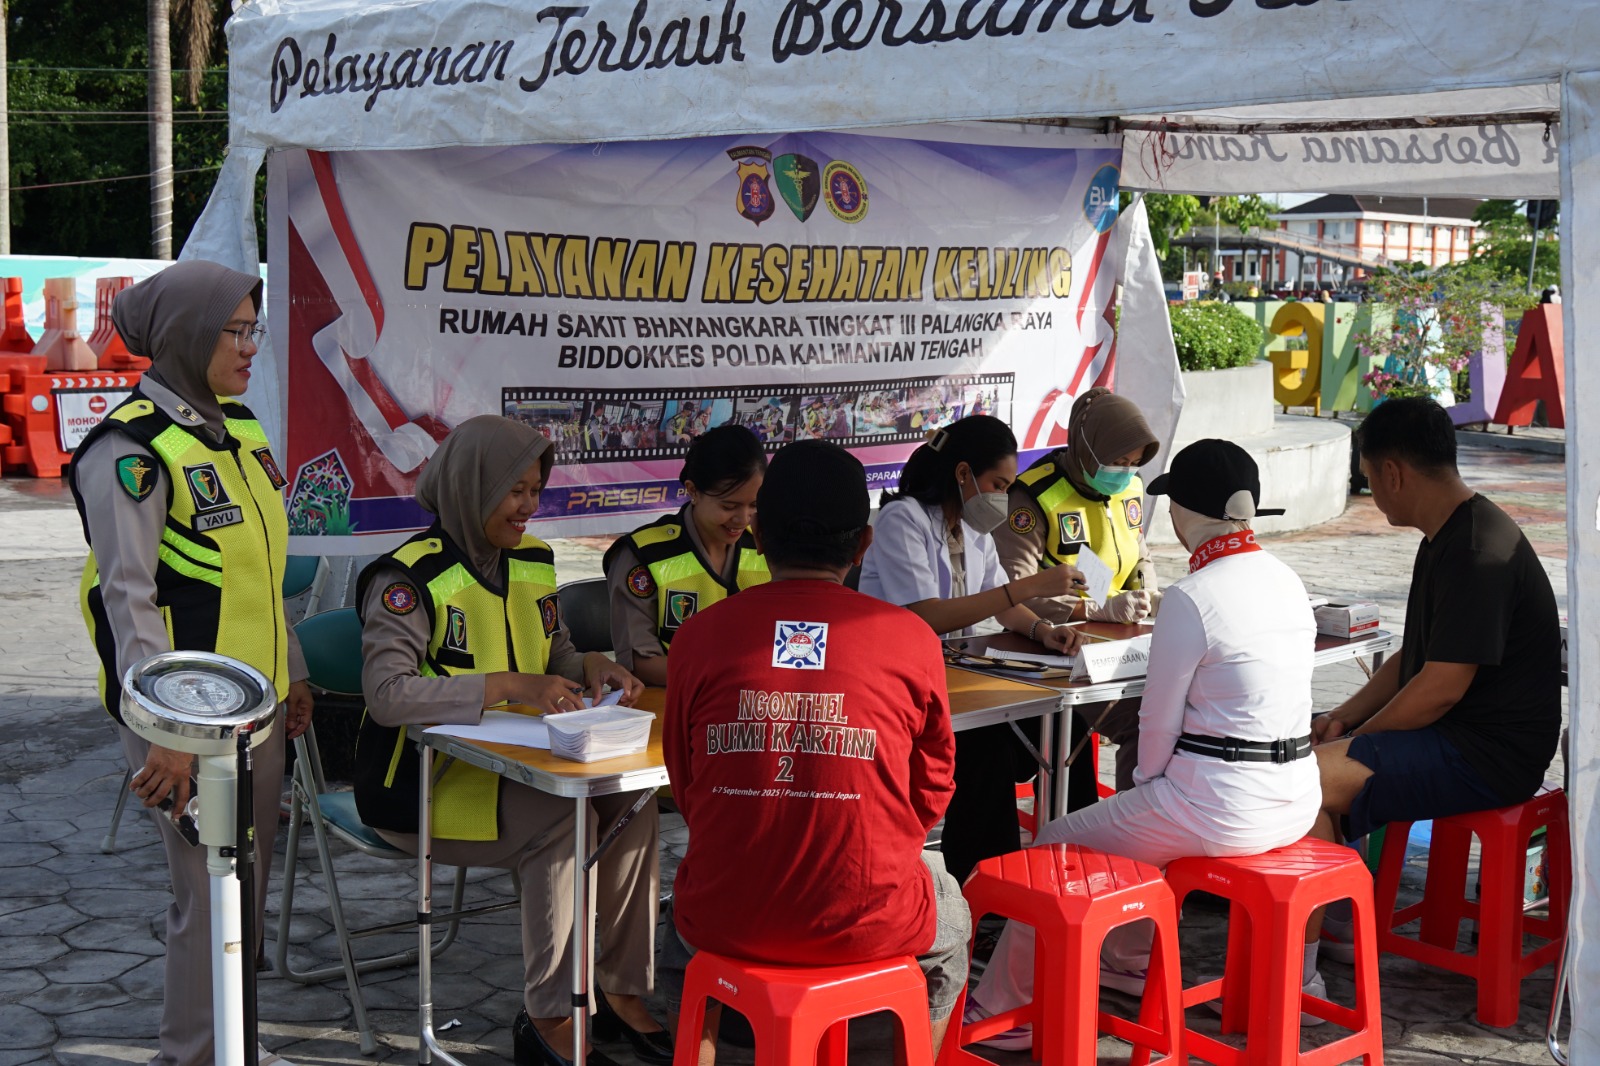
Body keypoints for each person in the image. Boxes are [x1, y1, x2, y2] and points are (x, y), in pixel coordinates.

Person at [965, 439, 1322, 1050]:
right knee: (1133, 826)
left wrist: (1147, 790)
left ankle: (1005, 1011)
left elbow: (1156, 727)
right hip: (1296, 796)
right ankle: (1128, 961)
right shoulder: (1286, 578)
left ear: (1184, 512)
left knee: (1054, 842)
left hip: (1220, 804)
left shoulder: (1194, 595)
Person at [352, 415, 662, 1066]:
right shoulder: (407, 579)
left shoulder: (532, 562)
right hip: (426, 786)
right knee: (562, 822)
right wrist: (509, 685)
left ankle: (620, 990)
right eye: (513, 491)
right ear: (471, 488)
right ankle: (550, 1019)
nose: (529, 506)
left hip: (527, 765)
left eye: (534, 490)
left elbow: (556, 652)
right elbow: (388, 696)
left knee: (633, 805)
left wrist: (594, 666)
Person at [67, 260, 315, 1066]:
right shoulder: (131, 450)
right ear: (185, 335)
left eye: (254, 329)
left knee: (242, 900)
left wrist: (297, 669)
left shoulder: (237, 431)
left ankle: (230, 1047)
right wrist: (164, 731)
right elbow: (128, 598)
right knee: (207, 905)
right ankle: (194, 1055)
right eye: (234, 331)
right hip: (187, 728)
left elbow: (260, 570)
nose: (250, 347)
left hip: (261, 710)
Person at [664, 439, 971, 1065]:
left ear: (758, 538)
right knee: (954, 923)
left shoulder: (698, 639)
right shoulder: (910, 639)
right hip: (870, 914)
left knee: (677, 940)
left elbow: (687, 780)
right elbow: (933, 787)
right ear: (863, 545)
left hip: (727, 912)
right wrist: (866, 829)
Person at [1308, 398, 1560, 956]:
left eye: (1370, 477)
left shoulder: (1476, 550)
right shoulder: (1446, 535)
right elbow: (1413, 659)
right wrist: (1344, 716)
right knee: (1298, 749)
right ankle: (1339, 911)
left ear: (1392, 473)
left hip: (1488, 755)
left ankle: (1303, 961)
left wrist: (1357, 740)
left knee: (1298, 783)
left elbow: (1439, 690)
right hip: (1453, 736)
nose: (1373, 491)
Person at [857, 414, 1085, 883]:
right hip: (899, 678)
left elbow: (1003, 607)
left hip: (956, 672)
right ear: (963, 474)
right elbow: (925, 614)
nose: (1002, 496)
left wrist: (1043, 631)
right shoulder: (904, 519)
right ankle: (985, 887)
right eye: (997, 483)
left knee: (1066, 723)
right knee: (986, 748)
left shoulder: (972, 528)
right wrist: (1030, 587)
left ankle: (1073, 863)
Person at [992, 387, 1160, 807]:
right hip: (1060, 649)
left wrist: (1150, 592)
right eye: (1117, 462)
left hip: (1126, 641)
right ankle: (1131, 831)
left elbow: (1139, 552)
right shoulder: (1033, 497)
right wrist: (1097, 607)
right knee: (1144, 721)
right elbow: (1012, 592)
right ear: (1087, 447)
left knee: (1180, 702)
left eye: (1134, 463)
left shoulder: (1132, 488)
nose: (1125, 472)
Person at [604, 425, 769, 687]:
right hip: (671, 708)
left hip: (752, 706)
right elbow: (639, 663)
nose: (743, 519)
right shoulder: (644, 554)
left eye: (754, 505)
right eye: (729, 506)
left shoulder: (767, 545)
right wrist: (728, 680)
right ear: (692, 491)